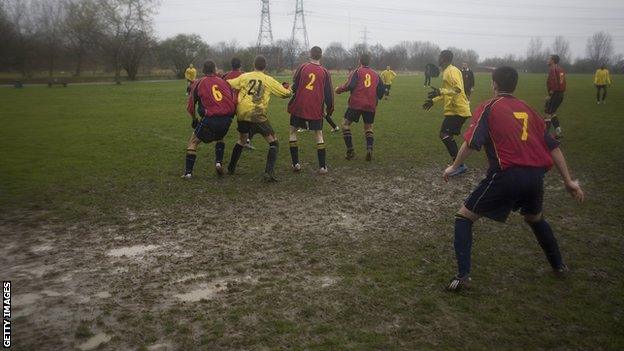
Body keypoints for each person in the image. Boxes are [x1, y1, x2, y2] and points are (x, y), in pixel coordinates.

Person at [442, 66, 584, 292]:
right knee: (534, 218)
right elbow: (554, 148)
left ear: (494, 84)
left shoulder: (489, 107)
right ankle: (559, 266)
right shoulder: (528, 109)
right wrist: (568, 181)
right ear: (515, 85)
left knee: (464, 217)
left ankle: (463, 276)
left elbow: (471, 143)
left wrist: (453, 166)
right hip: (536, 176)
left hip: (507, 175)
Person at [226, 55, 292, 182]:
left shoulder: (244, 76)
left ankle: (230, 168)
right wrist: (288, 88)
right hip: (257, 114)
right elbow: (285, 94)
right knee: (274, 143)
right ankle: (269, 172)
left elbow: (229, 84)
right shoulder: (268, 79)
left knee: (242, 139)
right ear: (265, 66)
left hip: (242, 112)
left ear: (253, 65)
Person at [182, 60, 237, 178]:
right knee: (220, 138)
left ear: (203, 70)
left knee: (193, 142)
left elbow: (191, 106)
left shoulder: (199, 83)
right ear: (215, 69)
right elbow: (233, 100)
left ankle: (188, 173)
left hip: (210, 119)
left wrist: (194, 119)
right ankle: (218, 163)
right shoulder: (224, 82)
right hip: (226, 119)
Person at [423, 50, 471, 177]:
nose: (438, 59)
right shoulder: (447, 71)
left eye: (439, 57)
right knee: (447, 135)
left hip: (458, 110)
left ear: (443, 59)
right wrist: (433, 100)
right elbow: (447, 92)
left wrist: (440, 91)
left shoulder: (451, 71)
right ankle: (458, 164)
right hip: (454, 110)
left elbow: (457, 89)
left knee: (444, 134)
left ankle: (459, 165)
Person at [287, 46, 334, 174]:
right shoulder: (325, 72)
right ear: (321, 55)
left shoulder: (302, 67)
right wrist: (330, 108)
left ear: (310, 54)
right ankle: (322, 167)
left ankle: (296, 164)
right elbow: (329, 93)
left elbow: (295, 85)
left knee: (292, 131)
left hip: (299, 106)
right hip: (315, 108)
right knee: (318, 134)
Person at [335, 53, 385, 161]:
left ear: (359, 61)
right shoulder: (376, 74)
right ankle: (369, 148)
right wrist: (376, 98)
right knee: (369, 127)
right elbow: (382, 89)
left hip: (356, 103)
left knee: (345, 124)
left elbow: (350, 85)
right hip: (370, 104)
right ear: (369, 61)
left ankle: (350, 150)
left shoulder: (357, 71)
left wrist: (339, 89)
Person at [222, 58, 255, 150]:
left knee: (225, 124)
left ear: (231, 65)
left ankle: (220, 140)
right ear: (240, 65)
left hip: (229, 104)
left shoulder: (226, 76)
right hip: (241, 104)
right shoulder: (244, 76)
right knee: (247, 123)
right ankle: (246, 141)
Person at [545, 54, 566, 138]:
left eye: (549, 59)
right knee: (552, 112)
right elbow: (561, 82)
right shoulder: (560, 69)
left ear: (552, 61)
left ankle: (545, 134)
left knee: (548, 112)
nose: (547, 60)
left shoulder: (553, 69)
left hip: (555, 94)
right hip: (560, 94)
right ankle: (558, 132)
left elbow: (554, 83)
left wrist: (550, 95)